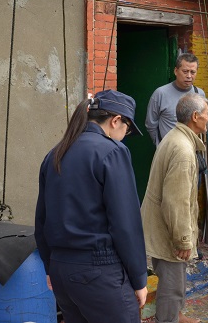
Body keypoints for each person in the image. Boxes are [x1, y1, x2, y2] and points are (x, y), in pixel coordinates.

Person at [34, 90, 148, 323]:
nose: (125, 136)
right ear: (116, 121)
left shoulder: (55, 153)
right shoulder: (112, 152)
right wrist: (139, 279)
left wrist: (49, 266)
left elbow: (42, 219)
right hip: (99, 272)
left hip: (61, 270)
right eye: (127, 129)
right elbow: (126, 224)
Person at [141, 93, 208, 323]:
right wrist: (182, 240)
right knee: (172, 284)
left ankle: (176, 316)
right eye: (207, 114)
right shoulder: (183, 151)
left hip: (162, 224)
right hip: (169, 229)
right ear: (195, 116)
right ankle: (169, 319)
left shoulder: (175, 136)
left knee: (174, 280)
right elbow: (176, 202)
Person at [146, 53, 206, 146]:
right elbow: (151, 124)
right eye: (185, 71)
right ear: (176, 71)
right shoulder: (160, 93)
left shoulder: (199, 94)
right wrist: (160, 146)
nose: (189, 76)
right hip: (169, 149)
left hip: (192, 149)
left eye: (192, 72)